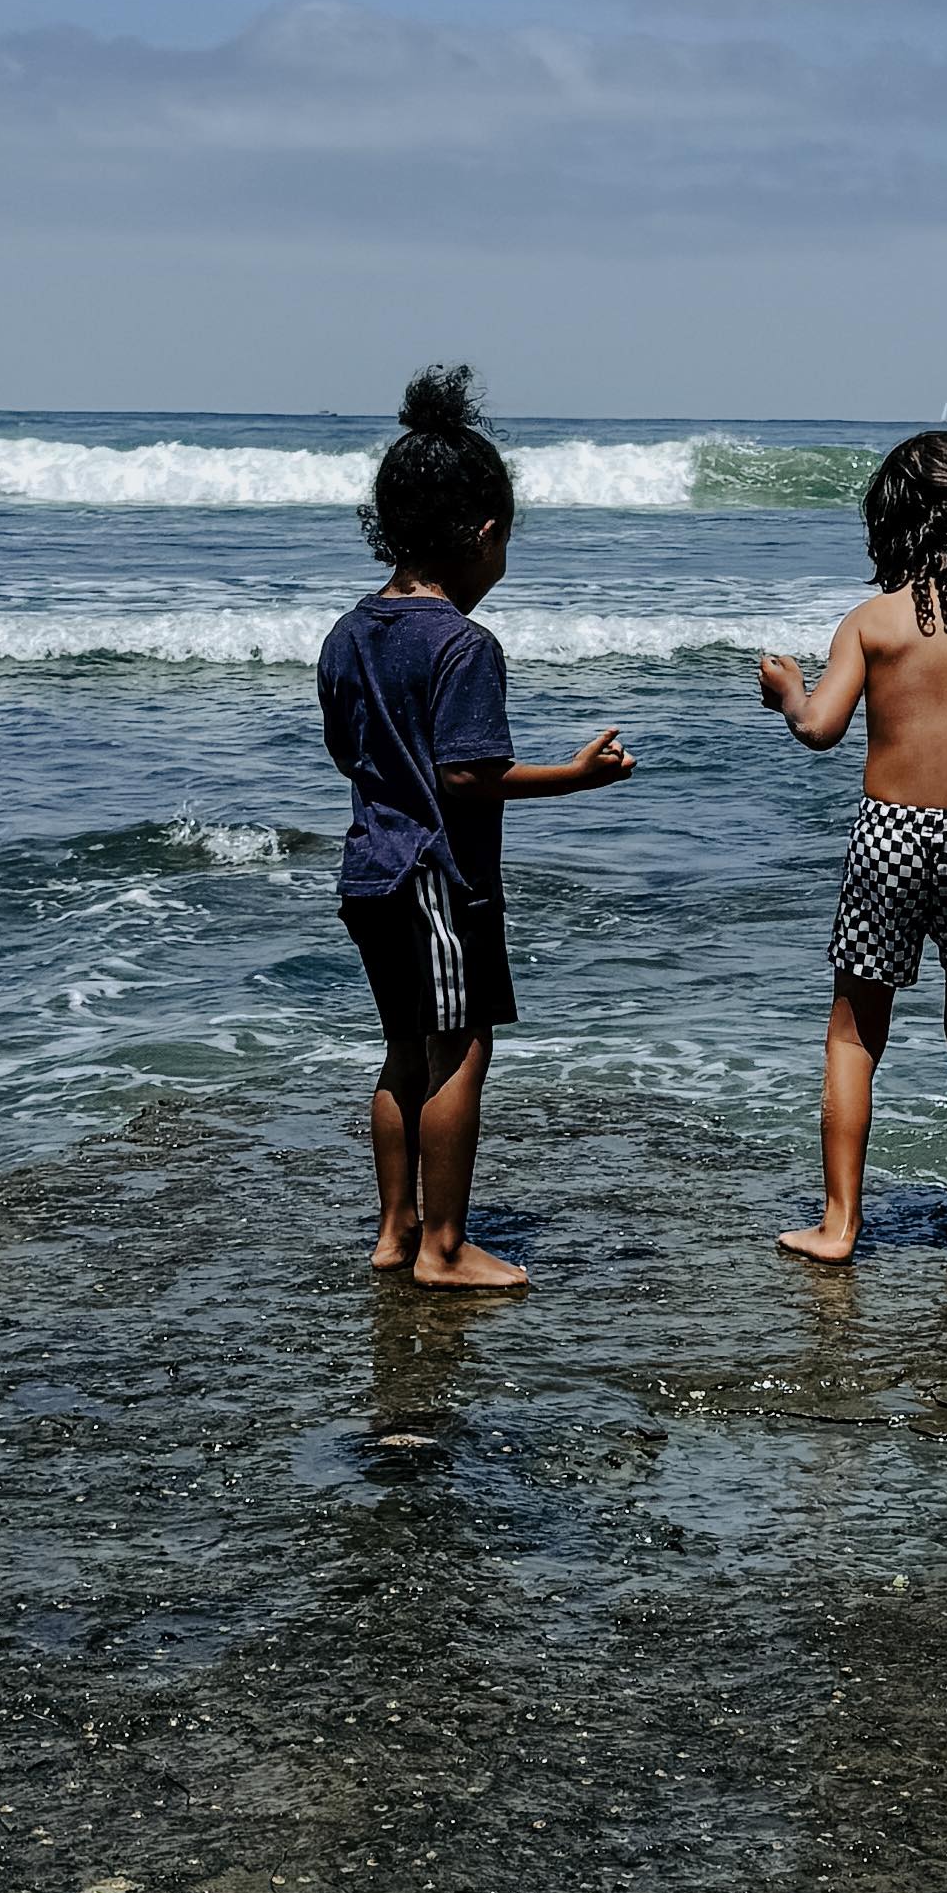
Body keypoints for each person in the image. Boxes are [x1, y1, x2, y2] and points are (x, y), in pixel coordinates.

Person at [316, 365, 634, 1290]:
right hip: (437, 877)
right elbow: (468, 775)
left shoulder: (347, 633)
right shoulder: (464, 643)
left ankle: (396, 1231)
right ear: (485, 534)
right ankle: (446, 1249)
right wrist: (576, 777)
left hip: (369, 870)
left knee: (403, 1049)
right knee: (461, 1047)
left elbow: (347, 751)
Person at [758, 426, 947, 1265]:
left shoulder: (872, 623)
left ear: (892, 521)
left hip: (888, 833)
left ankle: (840, 1224)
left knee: (854, 1031)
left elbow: (820, 728)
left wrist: (788, 692)